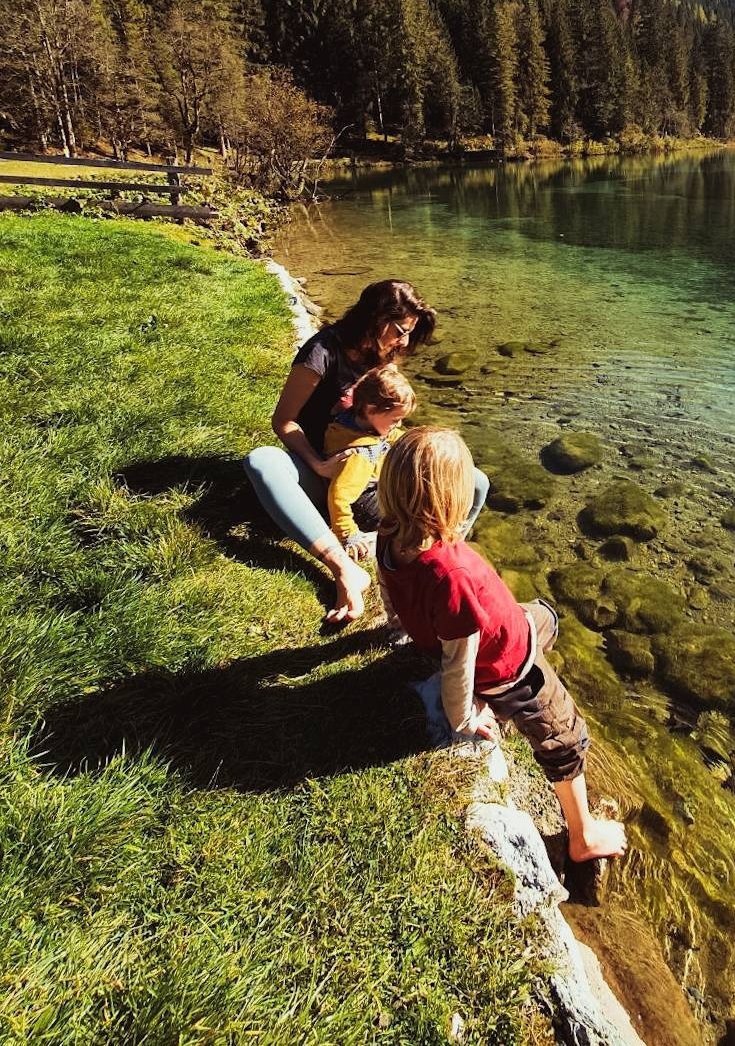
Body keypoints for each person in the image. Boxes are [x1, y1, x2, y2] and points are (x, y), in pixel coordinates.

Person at [376, 426, 627, 863]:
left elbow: (388, 590)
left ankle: (531, 644)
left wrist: (399, 625)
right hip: (508, 668)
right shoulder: (450, 576)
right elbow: (459, 663)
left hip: (512, 626)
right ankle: (582, 837)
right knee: (563, 739)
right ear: (451, 500)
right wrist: (464, 717)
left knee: (546, 613)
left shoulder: (389, 536)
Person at [244, 279, 489, 625]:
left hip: (373, 472)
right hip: (325, 473)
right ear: (376, 319)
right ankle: (344, 570)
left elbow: (385, 423)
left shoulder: (385, 353)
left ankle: (440, 562)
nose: (404, 342)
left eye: (409, 334)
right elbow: (283, 421)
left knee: (474, 481)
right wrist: (318, 464)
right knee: (261, 462)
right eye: (400, 331)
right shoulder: (321, 353)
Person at [324, 364, 416, 567]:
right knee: (411, 510)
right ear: (371, 410)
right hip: (365, 506)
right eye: (395, 420)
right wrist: (348, 533)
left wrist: (414, 441)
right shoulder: (359, 455)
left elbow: (391, 435)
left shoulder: (353, 421)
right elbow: (338, 496)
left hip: (369, 486)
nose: (398, 425)